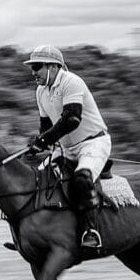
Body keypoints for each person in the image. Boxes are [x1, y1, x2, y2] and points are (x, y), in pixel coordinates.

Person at [23, 45, 112, 250]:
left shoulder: (72, 82)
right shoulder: (40, 92)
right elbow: (47, 127)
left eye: (36, 67)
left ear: (53, 66)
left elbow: (71, 120)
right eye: (31, 68)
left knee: (81, 178)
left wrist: (43, 141)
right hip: (66, 148)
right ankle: (34, 234)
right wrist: (37, 142)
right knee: (38, 179)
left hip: (93, 143)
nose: (33, 72)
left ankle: (91, 231)